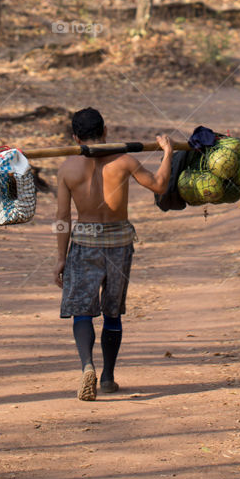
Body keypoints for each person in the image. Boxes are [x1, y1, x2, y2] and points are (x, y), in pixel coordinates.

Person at [53, 107, 173, 400]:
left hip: (84, 242)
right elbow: (158, 185)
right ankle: (107, 378)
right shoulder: (125, 161)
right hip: (119, 242)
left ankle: (87, 366)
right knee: (112, 311)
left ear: (75, 137)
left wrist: (59, 258)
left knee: (82, 309)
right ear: (105, 132)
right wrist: (167, 152)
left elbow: (62, 218)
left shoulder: (68, 169)